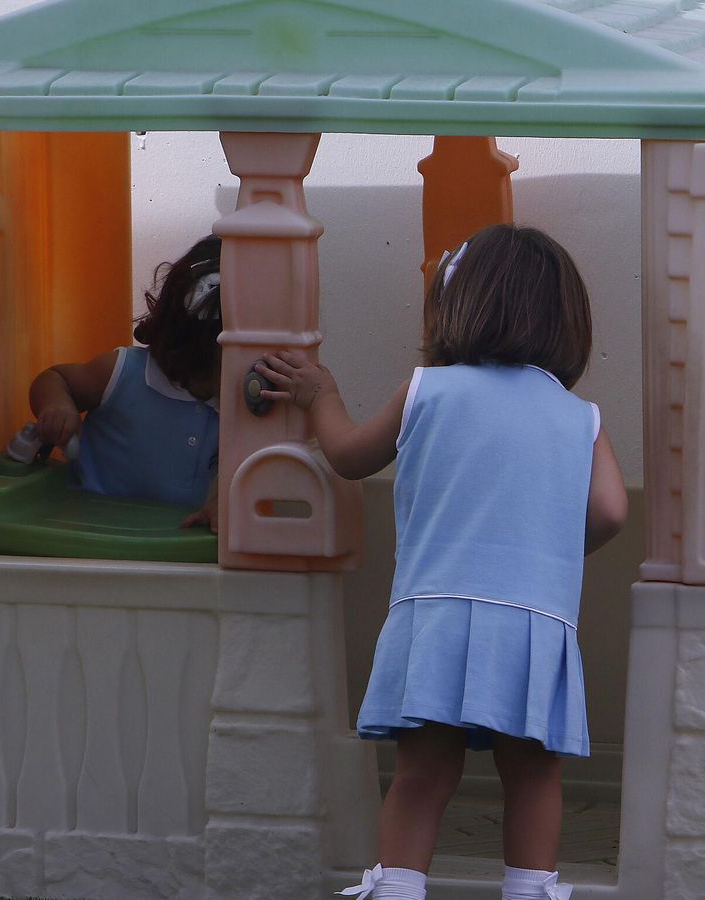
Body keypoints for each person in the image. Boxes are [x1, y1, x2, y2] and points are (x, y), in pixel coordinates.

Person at [255, 224, 628, 900]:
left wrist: (319, 397)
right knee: (533, 777)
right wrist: (545, 551)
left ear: (459, 305)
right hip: (532, 625)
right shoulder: (581, 418)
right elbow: (610, 511)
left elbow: (349, 457)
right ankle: (530, 891)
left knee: (422, 777)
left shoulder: (427, 390)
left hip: (436, 618)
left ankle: (398, 889)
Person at [28, 235, 225, 529]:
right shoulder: (123, 373)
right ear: (191, 344)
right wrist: (57, 407)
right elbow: (54, 379)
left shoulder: (243, 407)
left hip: (177, 543)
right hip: (90, 535)